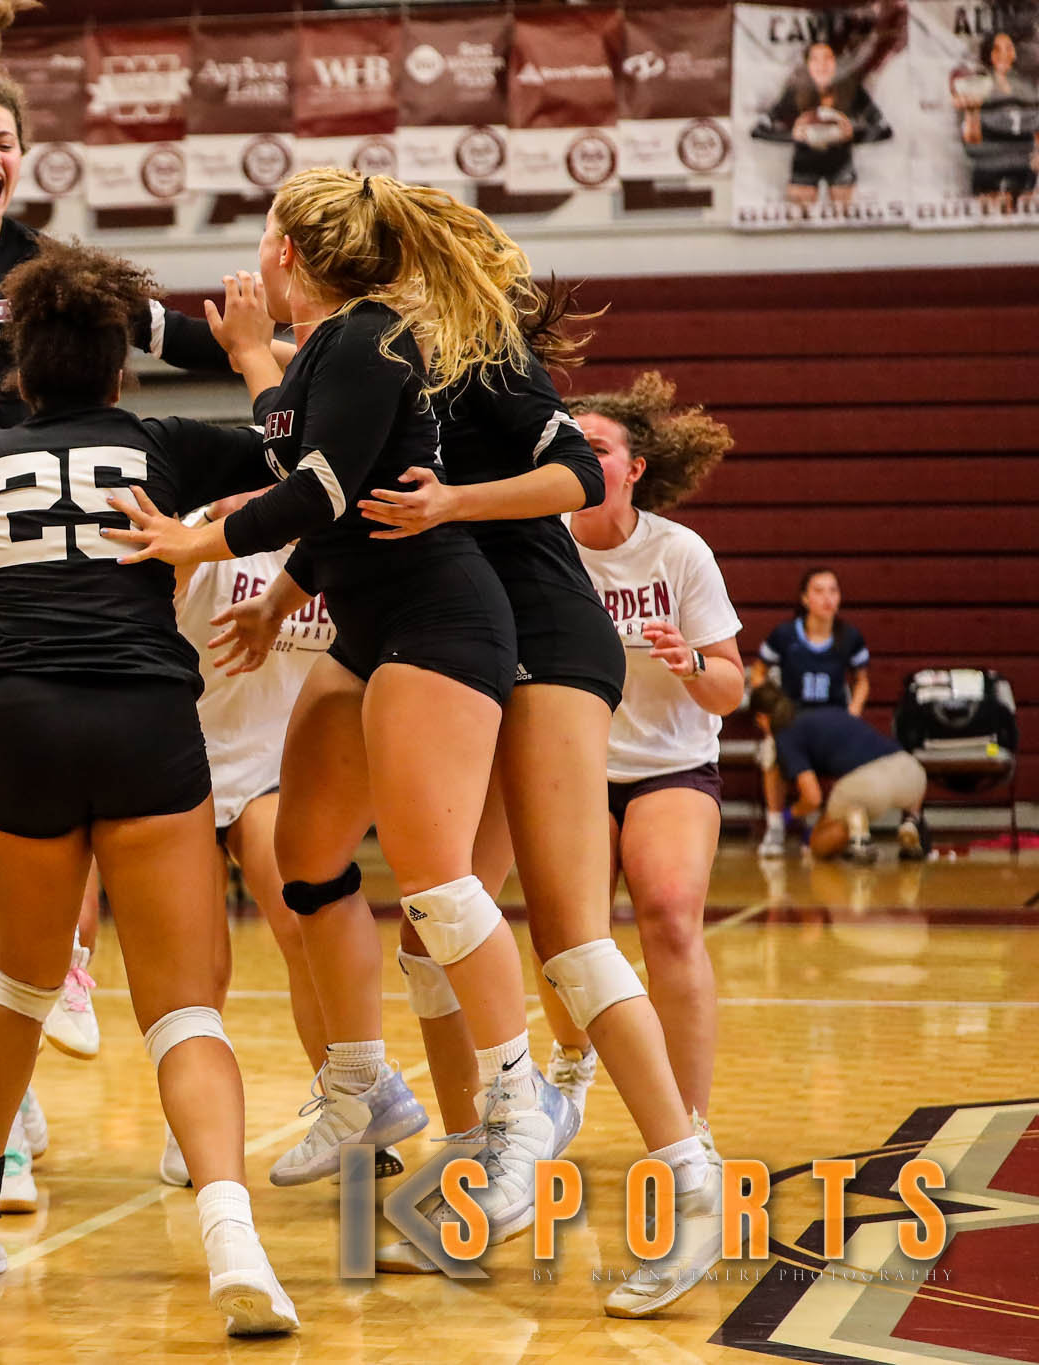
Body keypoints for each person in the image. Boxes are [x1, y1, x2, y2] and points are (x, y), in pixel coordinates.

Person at [109, 169, 580, 1277]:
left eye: (260, 235)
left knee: (432, 880)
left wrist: (200, 546)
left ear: (288, 252)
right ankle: (361, 1087)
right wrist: (280, 592)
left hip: (438, 616)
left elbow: (317, 487)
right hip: (366, 622)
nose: (252, 254)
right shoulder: (323, 350)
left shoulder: (370, 343)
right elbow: (316, 479)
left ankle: (514, 1120)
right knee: (305, 862)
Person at [238, 279, 723, 1314]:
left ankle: (689, 1179)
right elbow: (332, 505)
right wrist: (283, 589)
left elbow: (571, 478)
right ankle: (475, 1160)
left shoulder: (473, 355)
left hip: (540, 634)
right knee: (428, 923)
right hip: (449, 637)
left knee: (569, 940)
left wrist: (453, 502)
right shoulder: (366, 361)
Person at [0, 238, 298, 1336]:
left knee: (17, 985)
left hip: (19, 723)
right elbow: (293, 459)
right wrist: (255, 354)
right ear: (121, 371)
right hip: (144, 718)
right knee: (181, 1003)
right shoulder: (159, 441)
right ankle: (230, 1237)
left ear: (16, 369)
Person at [0, 0, 270, 1031]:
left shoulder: (48, 267)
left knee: (6, 703)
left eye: (4, 141)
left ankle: (60, 961)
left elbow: (172, 334)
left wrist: (266, 348)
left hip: (41, 493)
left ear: (21, 159)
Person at [559, 373, 743, 1211]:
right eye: (573, 444)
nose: (583, 456)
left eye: (598, 446)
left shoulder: (678, 553)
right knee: (571, 928)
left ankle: (690, 1122)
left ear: (634, 469)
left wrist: (691, 663)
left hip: (670, 764)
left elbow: (732, 687)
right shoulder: (541, 545)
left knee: (668, 911)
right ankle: (568, 1067)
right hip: (569, 764)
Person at [154, 492, 338, 1188]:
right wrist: (215, 519)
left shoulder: (329, 542)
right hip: (183, 760)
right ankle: (189, 1128)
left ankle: (345, 1104)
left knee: (303, 928)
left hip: (276, 765)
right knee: (200, 964)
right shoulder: (212, 530)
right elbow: (161, 574)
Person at [752, 567, 870, 856]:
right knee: (771, 754)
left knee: (858, 761)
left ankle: (849, 830)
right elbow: (758, 673)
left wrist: (852, 713)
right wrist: (769, 713)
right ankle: (776, 825)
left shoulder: (848, 637)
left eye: (833, 590)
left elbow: (862, 682)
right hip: (792, 722)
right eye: (819, 591)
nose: (827, 598)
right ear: (805, 598)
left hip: (831, 724)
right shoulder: (785, 634)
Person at [750, 681, 928, 862]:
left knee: (818, 844)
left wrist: (789, 814)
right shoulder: (825, 713)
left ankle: (857, 833)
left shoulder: (786, 734)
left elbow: (813, 798)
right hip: (912, 772)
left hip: (868, 785)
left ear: (762, 718)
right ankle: (911, 821)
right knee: (901, 791)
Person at [753, 40, 893, 209]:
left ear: (837, 63)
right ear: (807, 64)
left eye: (828, 58)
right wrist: (793, 135)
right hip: (804, 167)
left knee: (845, 223)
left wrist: (851, 134)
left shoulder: (852, 91)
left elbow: (884, 130)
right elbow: (759, 131)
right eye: (815, 59)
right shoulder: (794, 93)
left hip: (841, 167)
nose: (822, 65)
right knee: (799, 224)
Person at [954, 31, 1039, 211]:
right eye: (997, 50)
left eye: (1008, 48)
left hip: (1025, 173)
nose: (1004, 55)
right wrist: (972, 113)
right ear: (988, 54)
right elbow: (971, 143)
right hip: (988, 172)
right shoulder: (975, 86)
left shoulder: (1026, 88)